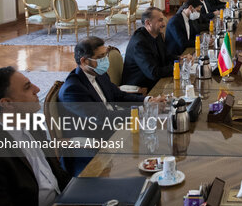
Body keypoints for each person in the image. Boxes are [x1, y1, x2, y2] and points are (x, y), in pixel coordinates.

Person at [0, 67, 71, 206]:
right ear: (7, 103)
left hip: (63, 203)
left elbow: (55, 173)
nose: (37, 89)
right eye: (27, 87)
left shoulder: (31, 124)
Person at [58, 36, 164, 175]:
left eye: (105, 55)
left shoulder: (99, 74)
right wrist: (144, 110)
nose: (105, 60)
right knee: (151, 149)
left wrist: (147, 101)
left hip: (115, 132)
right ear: (84, 61)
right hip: (94, 148)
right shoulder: (73, 89)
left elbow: (119, 95)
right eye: (100, 56)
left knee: (160, 138)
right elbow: (102, 117)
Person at [122, 7, 179, 90]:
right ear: (148, 23)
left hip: (156, 81)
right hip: (141, 88)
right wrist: (179, 67)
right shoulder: (140, 43)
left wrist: (180, 59)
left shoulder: (157, 34)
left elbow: (165, 56)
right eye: (160, 20)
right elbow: (153, 73)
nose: (164, 24)